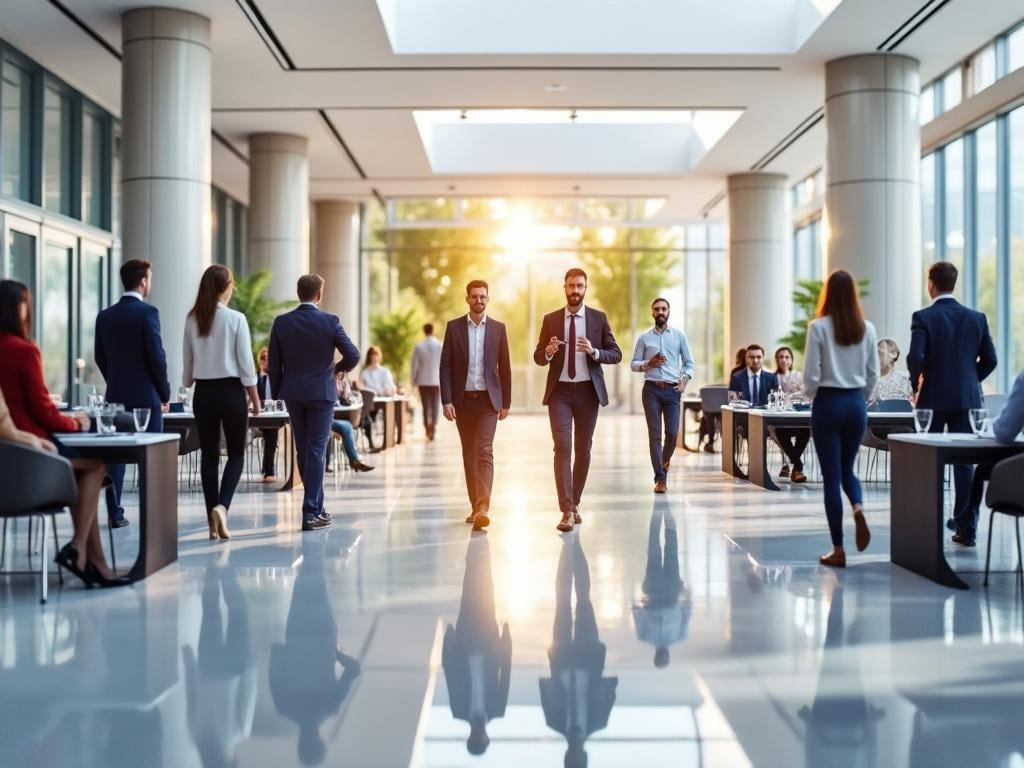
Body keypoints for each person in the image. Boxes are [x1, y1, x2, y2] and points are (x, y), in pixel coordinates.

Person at [0, 280, 130, 588]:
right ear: (19, 308)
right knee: (96, 467)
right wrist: (78, 423)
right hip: (33, 452)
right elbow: (44, 412)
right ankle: (77, 549)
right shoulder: (24, 350)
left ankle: (93, 562)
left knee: (87, 473)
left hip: (7, 462)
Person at [907, 261, 997, 547]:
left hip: (932, 398)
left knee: (927, 460)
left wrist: (916, 383)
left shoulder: (923, 317)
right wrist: (971, 379)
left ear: (930, 284)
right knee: (965, 464)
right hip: (966, 399)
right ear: (953, 284)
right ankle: (966, 529)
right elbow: (991, 360)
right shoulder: (977, 318)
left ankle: (926, 526)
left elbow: (915, 358)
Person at [268, 274, 360, 532]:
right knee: (316, 450)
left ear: (299, 293)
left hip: (294, 394)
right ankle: (310, 512)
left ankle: (316, 507)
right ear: (319, 294)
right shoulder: (330, 321)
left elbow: (274, 364)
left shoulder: (282, 322)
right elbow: (353, 354)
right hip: (322, 393)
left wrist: (277, 393)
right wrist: (336, 370)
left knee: (303, 450)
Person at [534, 268, 622, 532]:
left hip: (587, 393)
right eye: (571, 286)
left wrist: (594, 351)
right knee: (562, 446)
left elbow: (616, 354)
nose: (575, 290)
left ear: (586, 288)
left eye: (580, 286)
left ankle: (575, 503)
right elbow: (538, 356)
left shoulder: (598, 318)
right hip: (559, 391)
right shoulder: (551, 319)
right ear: (564, 288)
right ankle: (566, 510)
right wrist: (548, 353)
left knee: (582, 450)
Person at [803, 270, 879, 568]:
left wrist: (812, 395)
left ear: (828, 294)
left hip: (829, 403)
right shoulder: (867, 329)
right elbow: (873, 373)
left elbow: (810, 375)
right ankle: (858, 508)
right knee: (848, 469)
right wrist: (862, 397)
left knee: (831, 478)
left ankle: (838, 549)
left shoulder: (818, 327)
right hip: (856, 404)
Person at [183, 265, 261, 541]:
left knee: (208, 456)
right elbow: (246, 365)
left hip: (203, 393)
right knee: (237, 454)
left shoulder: (193, 319)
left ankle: (210, 523)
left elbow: (187, 373)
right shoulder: (236, 318)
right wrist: (255, 400)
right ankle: (222, 507)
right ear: (226, 287)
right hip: (231, 392)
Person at [94, 258, 171, 527]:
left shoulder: (105, 315)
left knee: (115, 457)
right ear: (143, 281)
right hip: (146, 399)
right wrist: (164, 393)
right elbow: (157, 358)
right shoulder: (148, 313)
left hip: (114, 396)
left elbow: (99, 356)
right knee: (152, 456)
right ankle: (154, 514)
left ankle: (115, 512)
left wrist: (115, 379)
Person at [539, 534, 617, 768]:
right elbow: (610, 693)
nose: (575, 754)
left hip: (562, 656)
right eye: (579, 758)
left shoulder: (554, 722)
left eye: (571, 758)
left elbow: (546, 690)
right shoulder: (598, 721)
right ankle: (576, 545)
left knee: (562, 600)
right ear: (584, 756)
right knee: (583, 599)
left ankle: (568, 547)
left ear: (566, 755)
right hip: (587, 655)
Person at [440, 280, 512, 530]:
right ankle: (475, 506)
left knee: (484, 450)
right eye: (474, 297)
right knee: (469, 455)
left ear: (487, 299)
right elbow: (446, 366)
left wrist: (506, 402)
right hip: (462, 402)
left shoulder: (498, 329)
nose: (478, 300)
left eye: (482, 297)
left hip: (488, 402)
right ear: (467, 298)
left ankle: (483, 506)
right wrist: (447, 400)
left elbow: (505, 367)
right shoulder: (453, 328)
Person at [441, 533, 512, 756]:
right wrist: (506, 640)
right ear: (487, 738)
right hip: (489, 641)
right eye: (482, 740)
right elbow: (506, 674)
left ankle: (474, 546)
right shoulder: (497, 710)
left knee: (470, 588)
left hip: (466, 641)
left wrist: (448, 641)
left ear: (470, 738)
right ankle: (485, 546)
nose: (478, 736)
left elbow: (450, 676)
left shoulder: (458, 710)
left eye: (475, 740)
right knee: (487, 589)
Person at [630, 297, 695, 494]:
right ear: (652, 313)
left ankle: (664, 460)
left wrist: (684, 380)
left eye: (663, 309)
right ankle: (660, 478)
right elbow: (633, 364)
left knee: (673, 433)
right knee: (655, 435)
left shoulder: (679, 336)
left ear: (669, 311)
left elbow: (689, 363)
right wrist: (649, 363)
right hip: (651, 390)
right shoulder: (644, 338)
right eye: (657, 309)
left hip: (673, 390)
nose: (660, 312)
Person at [632, 497, 692, 669]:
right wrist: (687, 597)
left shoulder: (644, 637)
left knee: (654, 547)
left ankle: (658, 510)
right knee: (671, 547)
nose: (663, 657)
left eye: (660, 659)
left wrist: (635, 600)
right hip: (671, 592)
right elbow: (686, 615)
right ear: (669, 657)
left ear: (655, 657)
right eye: (665, 660)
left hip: (653, 590)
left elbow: (637, 615)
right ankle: (667, 512)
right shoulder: (679, 637)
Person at [325, 367, 374, 473]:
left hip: (332, 417)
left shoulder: (343, 380)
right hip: (321, 417)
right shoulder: (323, 379)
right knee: (343, 426)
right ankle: (354, 460)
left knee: (347, 425)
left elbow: (348, 396)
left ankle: (354, 460)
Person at [772, 346, 810, 483]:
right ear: (776, 360)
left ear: (791, 360)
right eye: (781, 357)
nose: (784, 360)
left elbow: (805, 393)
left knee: (806, 430)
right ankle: (798, 466)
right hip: (780, 420)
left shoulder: (798, 376)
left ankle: (793, 467)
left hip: (797, 416)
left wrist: (790, 395)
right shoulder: (772, 377)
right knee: (779, 432)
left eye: (787, 357)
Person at [358, 346, 395, 451]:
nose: (374, 357)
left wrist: (387, 390)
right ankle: (371, 443)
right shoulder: (365, 373)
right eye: (372, 355)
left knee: (374, 415)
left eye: (376, 354)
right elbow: (362, 387)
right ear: (369, 357)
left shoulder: (385, 371)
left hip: (381, 399)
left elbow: (389, 387)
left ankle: (385, 441)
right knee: (367, 417)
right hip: (368, 402)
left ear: (379, 356)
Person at [411, 323, 443, 441]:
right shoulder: (439, 345)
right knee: (435, 405)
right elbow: (444, 363)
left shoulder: (419, 346)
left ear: (424, 331)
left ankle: (427, 428)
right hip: (436, 380)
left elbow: (414, 365)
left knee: (425, 406)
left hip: (423, 381)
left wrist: (413, 380)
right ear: (433, 330)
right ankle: (433, 428)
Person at [255, 346, 281, 482]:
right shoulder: (254, 378)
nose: (266, 361)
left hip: (273, 415)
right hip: (256, 416)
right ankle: (268, 470)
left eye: (268, 358)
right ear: (259, 361)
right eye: (263, 358)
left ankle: (268, 470)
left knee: (271, 432)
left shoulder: (277, 377)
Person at [869, 338, 913, 403]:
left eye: (879, 352)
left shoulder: (905, 380)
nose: (875, 357)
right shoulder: (868, 381)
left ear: (894, 354)